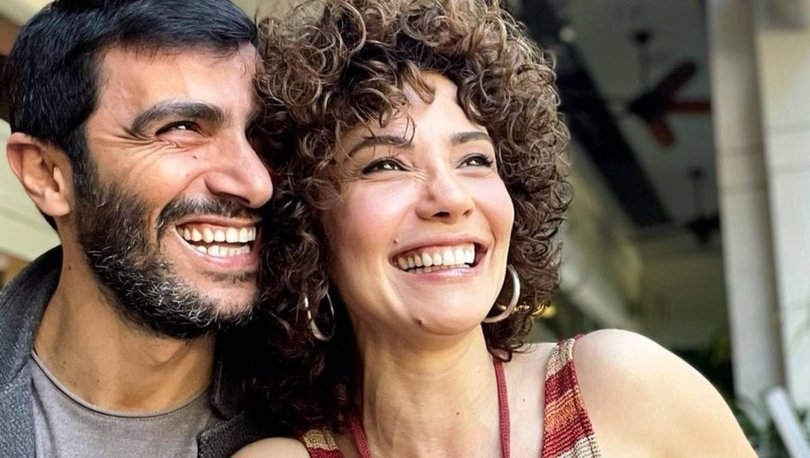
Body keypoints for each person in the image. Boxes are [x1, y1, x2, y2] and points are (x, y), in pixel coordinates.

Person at [237, 0, 756, 456]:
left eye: (475, 160)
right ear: (304, 222)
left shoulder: (626, 389)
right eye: (385, 165)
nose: (450, 199)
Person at [0, 0, 276, 456]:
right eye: (182, 128)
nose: (257, 184)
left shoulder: (324, 419)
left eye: (260, 134)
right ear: (47, 174)